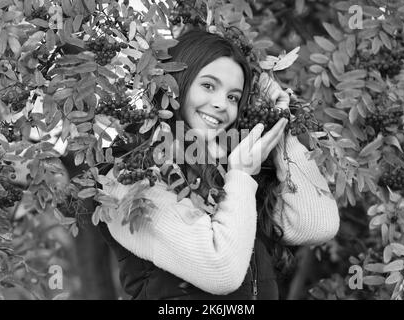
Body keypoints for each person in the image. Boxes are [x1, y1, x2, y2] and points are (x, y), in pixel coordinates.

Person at [98, 29, 340, 300]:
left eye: (233, 97)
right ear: (176, 83)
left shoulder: (231, 167)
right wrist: (240, 175)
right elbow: (221, 272)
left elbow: (317, 225)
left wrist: (279, 124)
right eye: (208, 86)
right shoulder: (128, 173)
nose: (221, 105)